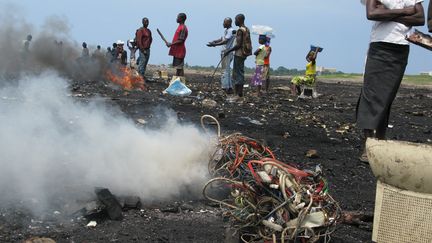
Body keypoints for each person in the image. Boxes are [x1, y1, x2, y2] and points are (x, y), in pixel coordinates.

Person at [357, 0, 424, 163]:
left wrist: (388, 13)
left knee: (386, 98)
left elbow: (420, 18)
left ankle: (380, 141)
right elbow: (372, 14)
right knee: (371, 96)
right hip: (380, 46)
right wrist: (405, 11)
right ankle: (368, 146)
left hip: (401, 48)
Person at [224, 14, 252, 98]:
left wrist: (228, 51)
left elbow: (238, 45)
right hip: (244, 53)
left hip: (239, 53)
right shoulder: (246, 29)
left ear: (240, 20)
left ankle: (237, 94)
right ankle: (240, 93)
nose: (235, 21)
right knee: (241, 72)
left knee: (237, 74)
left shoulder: (240, 30)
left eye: (236, 20)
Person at [207, 17, 236, 94]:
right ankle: (229, 88)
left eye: (224, 22)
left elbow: (225, 41)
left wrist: (214, 45)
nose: (223, 23)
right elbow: (222, 38)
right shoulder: (227, 30)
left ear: (229, 23)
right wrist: (214, 41)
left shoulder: (231, 31)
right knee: (227, 70)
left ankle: (224, 88)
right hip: (226, 52)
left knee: (224, 71)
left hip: (226, 52)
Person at [166, 13, 189, 78]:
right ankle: (178, 82)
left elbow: (181, 40)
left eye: (178, 17)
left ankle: (181, 83)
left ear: (181, 19)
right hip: (177, 51)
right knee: (178, 68)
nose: (176, 18)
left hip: (180, 51)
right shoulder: (179, 27)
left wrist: (171, 44)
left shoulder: (183, 28)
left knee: (180, 68)